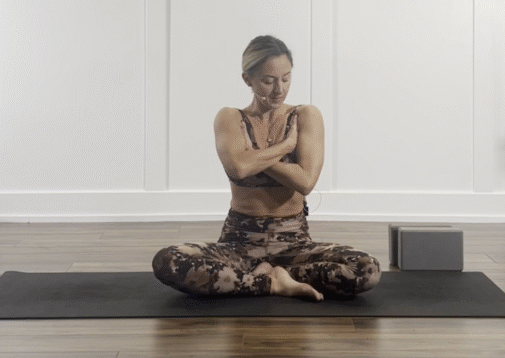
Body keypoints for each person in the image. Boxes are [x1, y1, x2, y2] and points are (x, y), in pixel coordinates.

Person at [152, 35, 381, 301]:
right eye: (268, 81)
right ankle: (273, 283)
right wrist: (285, 147)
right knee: (167, 261)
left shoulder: (306, 116)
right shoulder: (230, 117)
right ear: (247, 79)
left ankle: (261, 278)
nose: (279, 90)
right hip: (238, 243)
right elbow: (238, 169)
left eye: (286, 78)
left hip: (294, 243)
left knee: (366, 270)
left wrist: (253, 156)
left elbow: (305, 181)